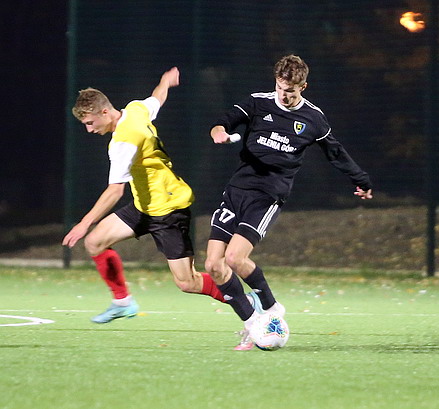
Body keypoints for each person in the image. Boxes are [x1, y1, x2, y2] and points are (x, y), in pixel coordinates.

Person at [205, 54, 373, 350]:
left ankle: (271, 307)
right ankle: (253, 323)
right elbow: (224, 121)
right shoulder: (258, 102)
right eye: (281, 88)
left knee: (234, 259)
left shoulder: (313, 118)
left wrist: (360, 179)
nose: (284, 95)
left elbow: (335, 152)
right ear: (276, 82)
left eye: (291, 91)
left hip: (267, 195)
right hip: (236, 190)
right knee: (213, 266)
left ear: (303, 87)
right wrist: (219, 131)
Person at [63, 67, 225, 323]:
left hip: (169, 208)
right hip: (144, 206)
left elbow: (115, 190)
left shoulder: (123, 142)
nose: (89, 130)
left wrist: (84, 223)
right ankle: (123, 302)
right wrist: (165, 81)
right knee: (95, 242)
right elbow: (157, 98)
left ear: (105, 112)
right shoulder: (135, 110)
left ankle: (246, 300)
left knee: (188, 282)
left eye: (90, 123)